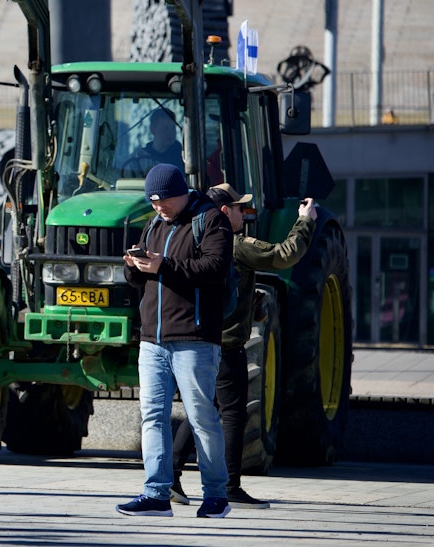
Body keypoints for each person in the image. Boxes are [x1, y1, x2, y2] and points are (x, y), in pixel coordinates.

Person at [171, 186, 317, 510]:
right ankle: (230, 485)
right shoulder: (236, 244)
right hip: (227, 346)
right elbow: (283, 255)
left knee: (200, 409)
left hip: (201, 341)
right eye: (239, 208)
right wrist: (305, 221)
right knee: (233, 414)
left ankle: (172, 473)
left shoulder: (198, 241)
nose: (244, 213)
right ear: (225, 212)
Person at [116, 163, 233, 519]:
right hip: (152, 339)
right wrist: (133, 268)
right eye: (153, 202)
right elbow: (145, 279)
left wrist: (163, 266)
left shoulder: (211, 220)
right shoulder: (154, 223)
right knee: (152, 415)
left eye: (164, 200)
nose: (159, 208)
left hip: (195, 338)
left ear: (183, 192)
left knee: (201, 416)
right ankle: (155, 493)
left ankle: (216, 495)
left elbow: (215, 269)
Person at [125, 108, 184, 174]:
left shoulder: (182, 156)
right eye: (165, 128)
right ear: (153, 130)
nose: (171, 133)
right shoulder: (138, 158)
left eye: (173, 128)